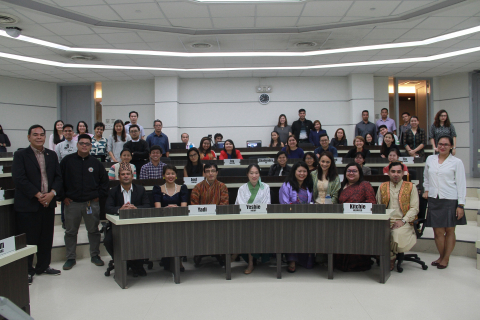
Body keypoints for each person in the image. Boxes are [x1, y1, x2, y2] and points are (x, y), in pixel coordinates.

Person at [12, 125, 63, 284]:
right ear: (29, 137)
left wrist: (52, 193)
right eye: (35, 135)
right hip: (28, 205)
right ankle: (27, 270)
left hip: (48, 203)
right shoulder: (20, 155)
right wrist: (38, 195)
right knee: (29, 239)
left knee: (46, 237)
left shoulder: (51, 154)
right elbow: (19, 179)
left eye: (42, 135)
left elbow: (58, 177)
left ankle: (43, 266)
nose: (39, 137)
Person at [60, 134, 109, 271]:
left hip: (91, 203)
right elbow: (59, 180)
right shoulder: (67, 161)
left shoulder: (96, 163)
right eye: (82, 143)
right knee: (70, 232)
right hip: (72, 203)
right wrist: (63, 196)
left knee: (93, 231)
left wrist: (98, 195)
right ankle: (70, 258)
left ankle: (95, 255)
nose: (84, 146)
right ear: (77, 144)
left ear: (91, 146)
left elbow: (104, 183)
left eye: (87, 144)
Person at [423, 135, 466, 269]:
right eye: (440, 144)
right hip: (434, 199)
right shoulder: (430, 159)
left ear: (451, 146)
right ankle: (441, 256)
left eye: (446, 144)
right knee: (438, 232)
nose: (442, 146)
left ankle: (445, 258)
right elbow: (426, 177)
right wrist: (426, 189)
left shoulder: (456, 162)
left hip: (450, 199)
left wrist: (461, 205)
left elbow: (461, 184)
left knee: (450, 231)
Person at [104, 162, 151, 277]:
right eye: (123, 174)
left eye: (128, 174)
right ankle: (121, 261)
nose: (125, 176)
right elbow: (108, 208)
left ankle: (136, 264)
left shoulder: (140, 189)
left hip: (137, 225)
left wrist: (135, 208)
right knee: (108, 241)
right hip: (118, 227)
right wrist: (120, 209)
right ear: (119, 177)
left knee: (143, 239)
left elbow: (147, 206)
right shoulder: (113, 191)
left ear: (132, 176)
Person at [376, 161, 419, 271]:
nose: (396, 174)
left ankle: (391, 258)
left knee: (395, 233)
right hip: (386, 220)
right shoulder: (382, 187)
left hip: (404, 222)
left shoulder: (411, 187)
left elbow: (415, 208)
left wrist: (403, 221)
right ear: (388, 173)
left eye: (399, 172)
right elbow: (378, 206)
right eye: (393, 171)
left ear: (403, 173)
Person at [335, 162, 376, 272]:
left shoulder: (365, 185)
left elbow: (372, 203)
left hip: (359, 222)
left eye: (354, 171)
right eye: (349, 171)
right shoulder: (342, 186)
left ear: (360, 173)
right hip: (343, 221)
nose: (351, 173)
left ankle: (356, 265)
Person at [235, 164, 271, 274]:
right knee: (249, 231)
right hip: (246, 219)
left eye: (256, 173)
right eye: (251, 173)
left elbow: (266, 204)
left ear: (259, 174)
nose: (254, 175)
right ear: (247, 174)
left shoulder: (266, 187)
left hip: (261, 219)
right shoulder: (242, 188)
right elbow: (240, 205)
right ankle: (250, 262)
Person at [190, 163, 229, 267]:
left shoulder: (222, 186)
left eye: (213, 171)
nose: (210, 173)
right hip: (201, 221)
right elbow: (194, 206)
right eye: (207, 171)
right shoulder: (197, 187)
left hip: (218, 220)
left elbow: (224, 205)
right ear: (204, 173)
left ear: (217, 173)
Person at [279, 161, 314, 273]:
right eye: (299, 171)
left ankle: (304, 259)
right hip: (290, 217)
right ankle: (292, 260)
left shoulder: (308, 185)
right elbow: (284, 202)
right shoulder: (287, 185)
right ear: (294, 172)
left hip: (306, 217)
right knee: (292, 233)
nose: (302, 173)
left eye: (304, 171)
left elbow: (311, 201)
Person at [153, 164, 188, 271]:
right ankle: (167, 257)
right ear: (163, 175)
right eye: (167, 174)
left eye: (172, 173)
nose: (170, 176)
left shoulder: (183, 188)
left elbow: (184, 208)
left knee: (180, 233)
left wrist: (176, 207)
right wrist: (167, 208)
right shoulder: (157, 188)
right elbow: (158, 208)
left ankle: (178, 260)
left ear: (176, 175)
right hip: (163, 220)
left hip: (179, 220)